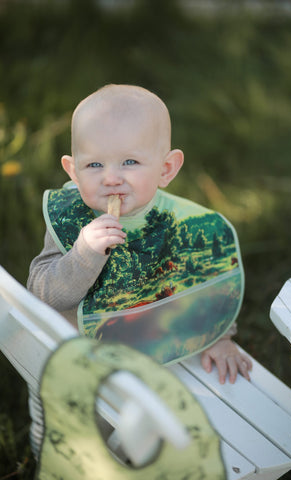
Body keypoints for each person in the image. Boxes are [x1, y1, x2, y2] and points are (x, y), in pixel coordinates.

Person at [28, 84, 252, 384]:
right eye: (94, 164)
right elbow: (39, 294)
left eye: (129, 162)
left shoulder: (177, 224)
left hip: (153, 352)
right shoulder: (72, 218)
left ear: (166, 169)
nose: (110, 178)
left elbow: (204, 279)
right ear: (73, 172)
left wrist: (219, 335)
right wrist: (83, 254)